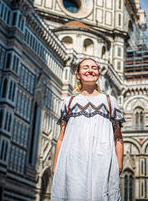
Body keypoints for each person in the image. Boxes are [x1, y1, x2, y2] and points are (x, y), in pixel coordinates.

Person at [51, 58, 125, 201]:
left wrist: (118, 166)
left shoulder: (109, 101)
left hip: (102, 163)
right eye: (85, 67)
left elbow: (118, 138)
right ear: (78, 74)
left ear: (98, 73)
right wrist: (56, 167)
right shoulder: (69, 102)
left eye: (94, 68)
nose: (90, 70)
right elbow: (61, 137)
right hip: (73, 163)